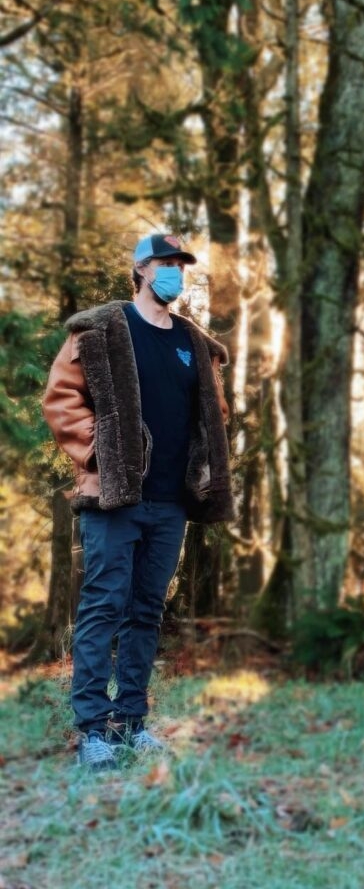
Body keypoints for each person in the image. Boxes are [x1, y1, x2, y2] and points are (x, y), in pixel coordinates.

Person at [43, 233, 234, 772]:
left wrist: (203, 463)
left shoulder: (192, 341)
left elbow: (211, 411)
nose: (175, 272)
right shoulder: (103, 329)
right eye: (166, 263)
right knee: (102, 607)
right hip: (115, 498)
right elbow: (61, 400)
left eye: (181, 264)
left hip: (171, 501)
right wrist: (102, 453)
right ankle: (91, 731)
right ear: (141, 270)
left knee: (146, 611)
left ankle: (131, 723)